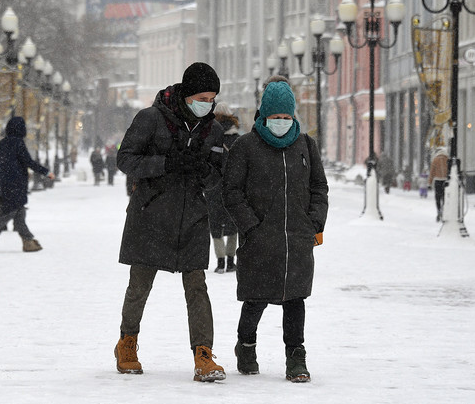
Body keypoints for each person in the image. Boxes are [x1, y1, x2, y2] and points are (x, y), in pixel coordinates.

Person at [113, 62, 226, 382]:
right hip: (151, 214)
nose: (208, 103)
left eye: (213, 97)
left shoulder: (213, 130)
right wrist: (167, 163)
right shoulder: (150, 119)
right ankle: (127, 343)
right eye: (202, 96)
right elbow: (125, 159)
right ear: (187, 94)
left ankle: (203, 353)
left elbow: (217, 175)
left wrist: (202, 170)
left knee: (197, 287)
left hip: (191, 217)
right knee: (140, 284)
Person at [222, 79, 328, 383]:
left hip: (297, 238)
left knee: (295, 300)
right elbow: (232, 191)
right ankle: (246, 345)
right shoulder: (245, 147)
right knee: (255, 298)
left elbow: (318, 186)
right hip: (260, 239)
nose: (281, 123)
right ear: (263, 115)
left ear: (292, 116)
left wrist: (314, 222)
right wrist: (251, 226)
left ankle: (296, 357)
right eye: (275, 117)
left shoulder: (306, 145)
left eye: (285, 117)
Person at [0, 117, 53, 253]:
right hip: (16, 183)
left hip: (5, 183)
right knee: (9, 212)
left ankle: (28, 241)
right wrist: (46, 172)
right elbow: (28, 162)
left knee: (19, 212)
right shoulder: (18, 143)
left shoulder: (1, 144)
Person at [206, 102, 240, 274]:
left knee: (215, 225)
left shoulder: (210, 133)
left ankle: (220, 262)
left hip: (213, 185)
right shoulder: (237, 138)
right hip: (232, 186)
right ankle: (231, 261)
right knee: (234, 224)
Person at [429, 147, 449, 222]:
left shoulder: (435, 160)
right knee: (445, 198)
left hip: (437, 181)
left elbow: (432, 172)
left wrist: (429, 183)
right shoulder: (447, 159)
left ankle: (438, 211)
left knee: (438, 197)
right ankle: (444, 211)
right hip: (445, 181)